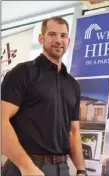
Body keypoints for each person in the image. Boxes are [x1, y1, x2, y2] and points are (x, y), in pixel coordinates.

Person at [1, 16, 87, 176]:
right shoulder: (23, 72)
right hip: (27, 165)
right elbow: (1, 120)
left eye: (63, 36)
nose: (58, 40)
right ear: (41, 38)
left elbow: (74, 131)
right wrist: (26, 167)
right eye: (52, 34)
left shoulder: (73, 85)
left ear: (68, 40)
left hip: (62, 168)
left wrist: (81, 170)